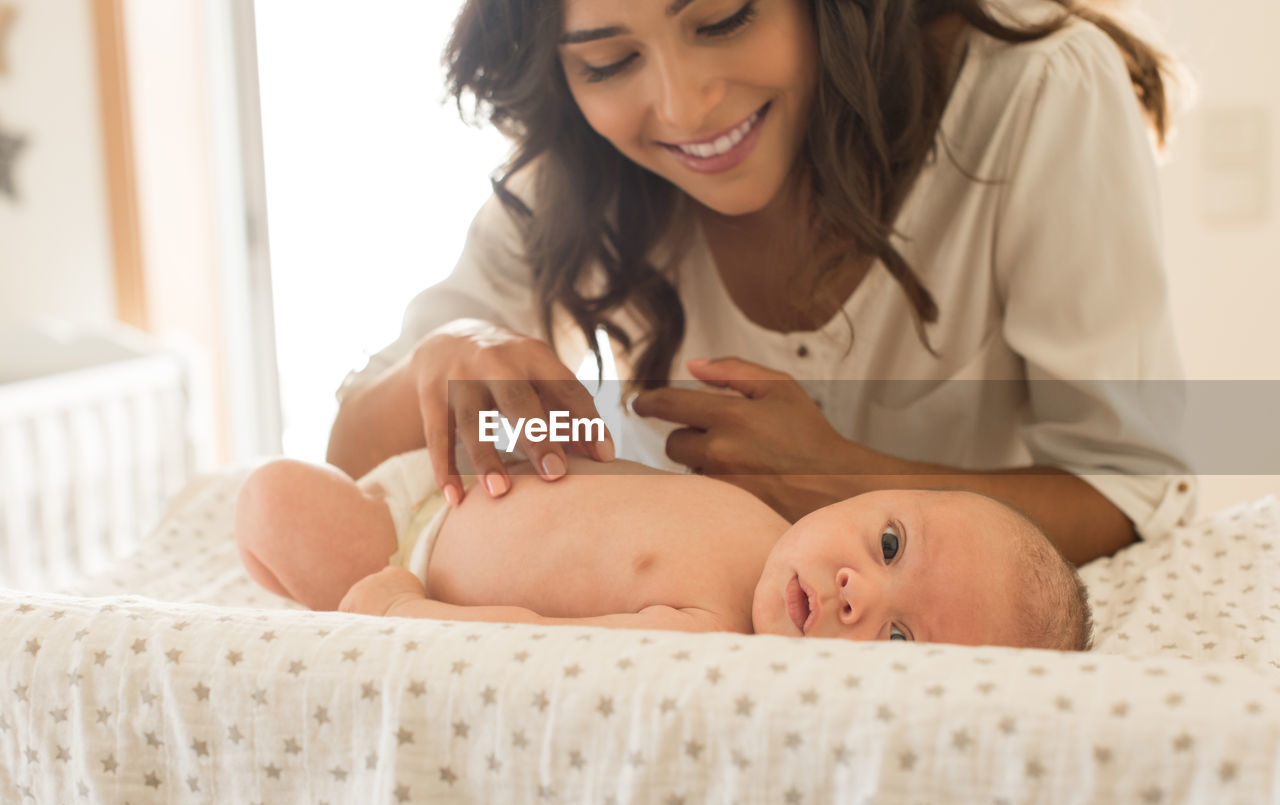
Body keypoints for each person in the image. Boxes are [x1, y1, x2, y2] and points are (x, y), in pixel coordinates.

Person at [325, 0, 1196, 571]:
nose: (687, 105)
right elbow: (349, 460)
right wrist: (446, 360)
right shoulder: (579, 174)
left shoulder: (1039, 91)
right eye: (607, 62)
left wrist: (849, 480)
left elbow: (1132, 484)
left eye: (722, 17)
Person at [235, 449, 1091, 649]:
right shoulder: (762, 518)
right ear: (863, 497)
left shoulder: (708, 632)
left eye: (898, 640)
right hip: (457, 476)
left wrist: (405, 610)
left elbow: (539, 637)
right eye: (890, 543)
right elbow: (625, 475)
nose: (856, 590)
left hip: (405, 557)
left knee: (271, 501)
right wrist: (526, 435)